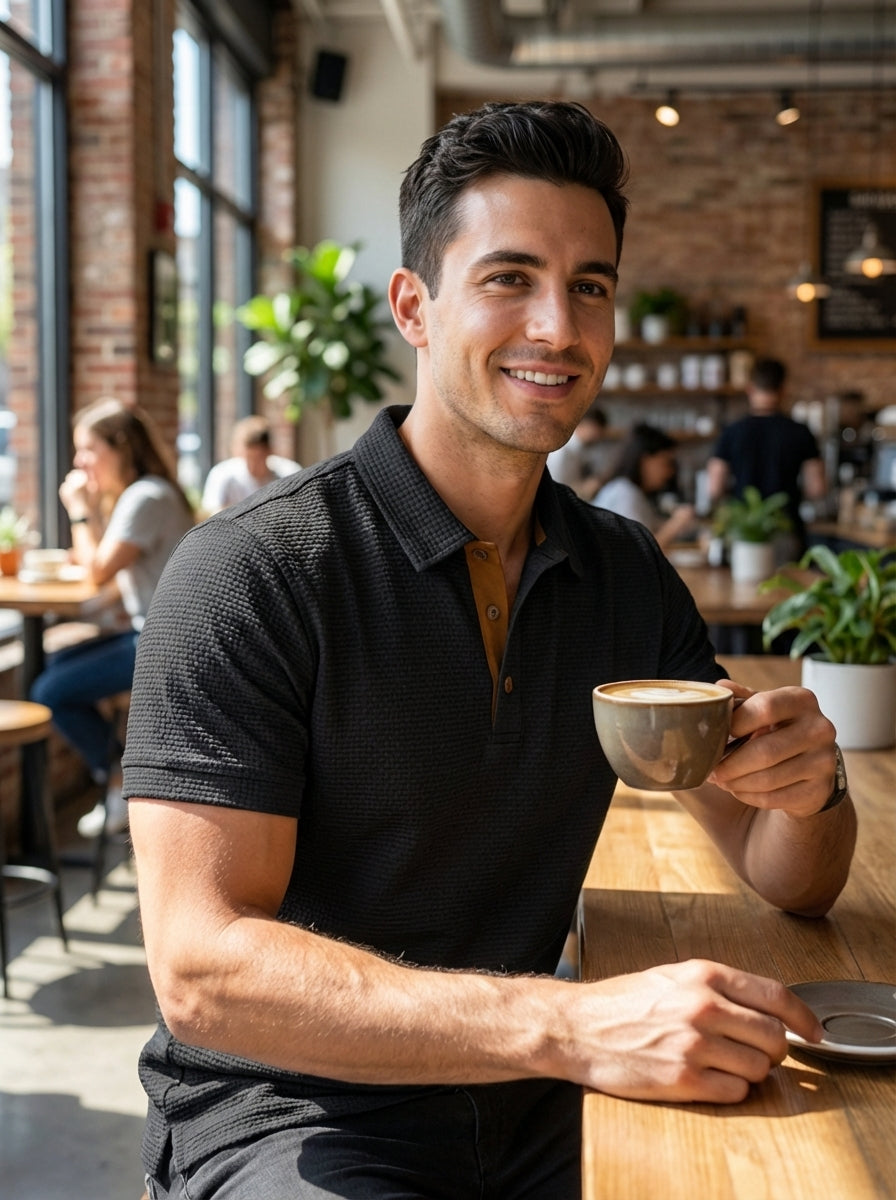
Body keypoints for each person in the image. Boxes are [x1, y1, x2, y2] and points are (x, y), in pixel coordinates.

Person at [125, 101, 855, 1200]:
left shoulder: (621, 571)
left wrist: (811, 791)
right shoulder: (253, 570)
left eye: (590, 286)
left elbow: (781, 874)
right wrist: (563, 1020)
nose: (557, 328)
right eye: (508, 277)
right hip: (293, 1115)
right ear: (413, 307)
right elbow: (203, 973)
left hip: (531, 1097)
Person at [31, 398, 194, 838]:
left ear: (119, 448)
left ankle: (123, 784)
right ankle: (120, 777)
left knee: (51, 690)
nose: (80, 462)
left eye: (88, 450)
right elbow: (109, 583)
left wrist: (79, 509)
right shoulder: (143, 493)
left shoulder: (146, 496)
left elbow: (97, 571)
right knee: (56, 667)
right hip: (149, 629)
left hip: (166, 642)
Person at [706, 357, 826, 556]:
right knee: (788, 585)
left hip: (744, 530)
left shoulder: (731, 431)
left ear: (750, 388)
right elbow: (817, 488)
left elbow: (714, 488)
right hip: (786, 527)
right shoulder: (801, 432)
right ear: (783, 389)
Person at [592, 421, 697, 550]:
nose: (670, 472)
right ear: (645, 461)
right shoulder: (625, 494)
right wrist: (676, 523)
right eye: (665, 463)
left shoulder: (629, 490)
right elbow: (640, 553)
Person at [200, 414, 301, 514]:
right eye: (249, 458)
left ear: (269, 451)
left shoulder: (289, 474)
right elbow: (212, 515)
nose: (253, 465)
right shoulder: (222, 474)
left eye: (258, 458)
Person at [546, 403, 608, 499]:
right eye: (598, 430)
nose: (599, 436)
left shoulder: (582, 451)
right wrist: (585, 489)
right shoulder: (562, 451)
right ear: (586, 425)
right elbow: (554, 491)